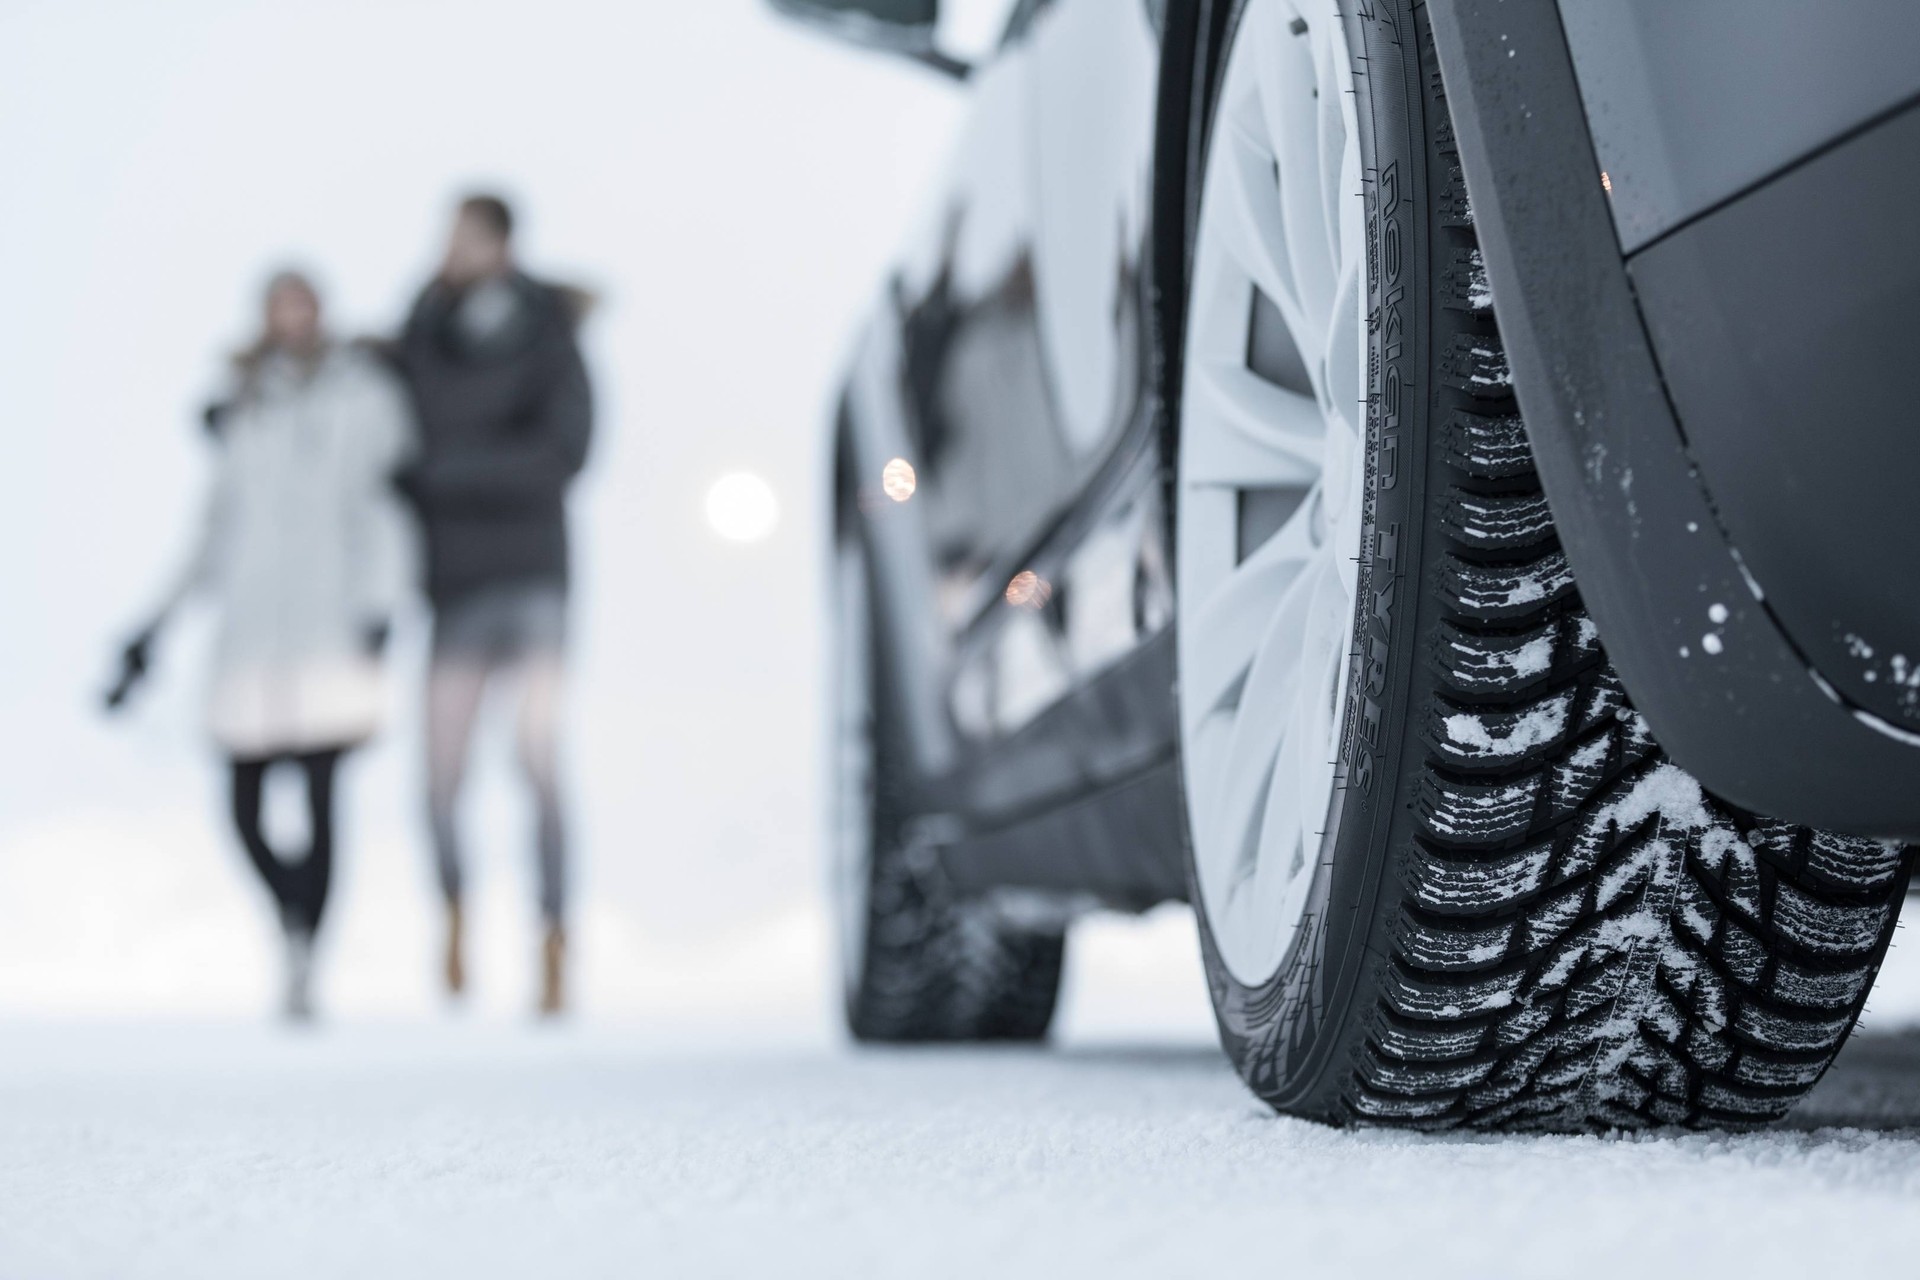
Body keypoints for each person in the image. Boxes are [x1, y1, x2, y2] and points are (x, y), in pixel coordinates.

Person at [106, 270, 416, 1020]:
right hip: (250, 635)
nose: (292, 318)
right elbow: (212, 533)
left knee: (319, 795)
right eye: (279, 306)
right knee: (244, 808)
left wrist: (381, 603)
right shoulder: (242, 409)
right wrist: (152, 625)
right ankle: (291, 917)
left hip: (330, 625)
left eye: (303, 303)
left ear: (321, 312)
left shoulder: (364, 398)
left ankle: (307, 953)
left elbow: (383, 508)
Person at [394, 194, 593, 1016]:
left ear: (504, 245)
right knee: (439, 776)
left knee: (537, 762)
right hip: (452, 586)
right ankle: (453, 918)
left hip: (533, 583)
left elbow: (564, 453)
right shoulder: (422, 338)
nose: (452, 250)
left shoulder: (550, 337)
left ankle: (552, 938)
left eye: (467, 237)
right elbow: (380, 429)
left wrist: (444, 475)